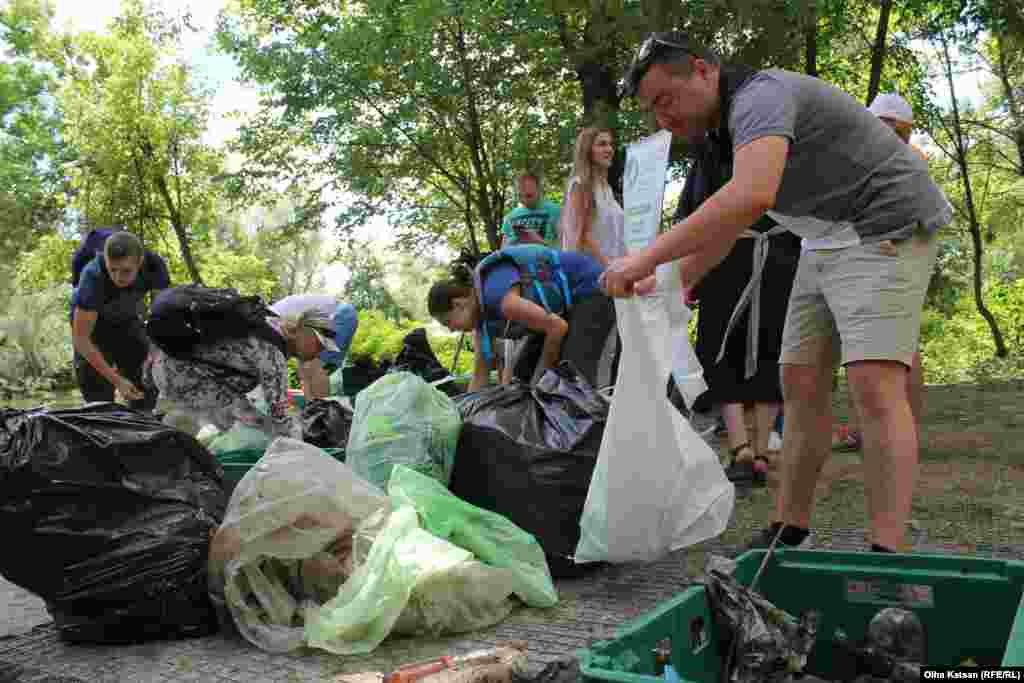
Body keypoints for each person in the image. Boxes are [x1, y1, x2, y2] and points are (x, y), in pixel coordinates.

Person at [609, 32, 951, 553]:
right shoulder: (719, 136)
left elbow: (753, 194)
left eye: (666, 99)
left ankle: (887, 549)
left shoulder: (759, 98)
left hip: (887, 220)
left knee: (873, 383)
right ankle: (790, 529)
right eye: (652, 109)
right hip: (824, 234)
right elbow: (728, 224)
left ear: (703, 71)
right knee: (798, 379)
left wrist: (645, 258)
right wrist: (678, 280)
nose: (663, 118)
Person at [670, 136, 802, 487]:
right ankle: (754, 452)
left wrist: (688, 272)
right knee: (758, 349)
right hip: (771, 260)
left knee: (737, 349)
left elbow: (693, 213)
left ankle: (744, 450)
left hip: (737, 258)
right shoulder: (782, 147)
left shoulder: (713, 148)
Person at [833, 93, 930, 453]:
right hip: (872, 258)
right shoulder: (869, 160)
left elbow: (913, 212)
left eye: (888, 124)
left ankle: (903, 430)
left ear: (901, 128)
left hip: (896, 258)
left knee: (898, 349)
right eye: (877, 123)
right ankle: (881, 429)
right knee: (878, 349)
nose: (881, 130)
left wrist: (889, 240)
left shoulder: (909, 159)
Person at [427, 245, 610, 392]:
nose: (450, 329)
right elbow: (480, 376)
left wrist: (543, 379)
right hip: (559, 311)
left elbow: (557, 327)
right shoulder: (482, 323)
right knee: (521, 377)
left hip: (590, 287)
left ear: (459, 304)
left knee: (574, 380)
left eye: (448, 322)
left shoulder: (499, 298)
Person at [151, 308, 334, 437]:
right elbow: (279, 413)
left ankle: (171, 430)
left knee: (234, 417)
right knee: (249, 422)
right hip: (184, 376)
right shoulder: (273, 356)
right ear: (302, 331)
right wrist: (301, 441)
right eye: (318, 344)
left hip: (170, 364)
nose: (319, 352)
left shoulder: (269, 324)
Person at [70, 230, 169, 411]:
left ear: (139, 263)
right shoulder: (92, 276)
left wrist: (153, 354)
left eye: (126, 271)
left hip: (127, 319)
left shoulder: (154, 266)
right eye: (112, 269)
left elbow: (161, 318)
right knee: (99, 404)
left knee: (145, 386)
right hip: (93, 328)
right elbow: (81, 339)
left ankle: (143, 424)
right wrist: (116, 380)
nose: (118, 277)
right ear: (105, 261)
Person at [268, 295, 359, 400]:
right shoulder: (270, 328)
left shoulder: (268, 329)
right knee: (305, 370)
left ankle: (321, 409)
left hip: (340, 316)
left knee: (315, 368)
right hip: (311, 327)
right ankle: (312, 406)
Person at [560, 127, 626, 267]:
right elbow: (582, 236)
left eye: (610, 144)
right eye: (602, 144)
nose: (609, 149)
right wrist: (610, 267)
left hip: (613, 272)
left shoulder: (607, 190)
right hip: (590, 275)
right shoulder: (581, 184)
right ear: (587, 150)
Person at [500, 173, 562, 248]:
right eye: (520, 196)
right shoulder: (510, 216)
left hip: (544, 258)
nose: (524, 200)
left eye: (529, 196)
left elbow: (565, 248)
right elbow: (503, 250)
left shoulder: (555, 211)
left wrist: (539, 242)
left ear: (539, 190)